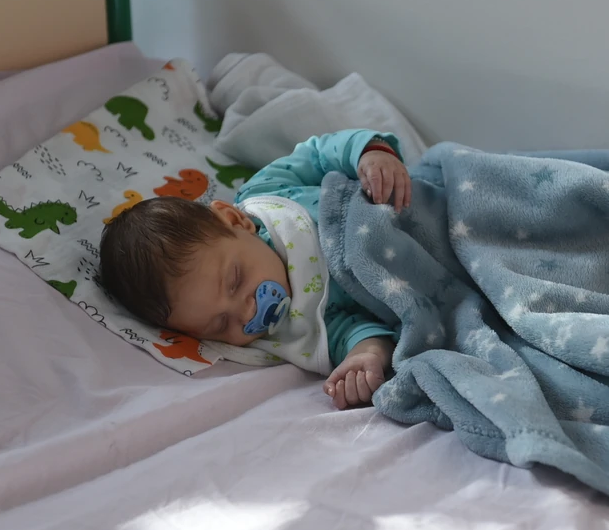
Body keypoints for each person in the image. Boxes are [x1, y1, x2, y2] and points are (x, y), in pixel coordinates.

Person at [98, 130, 412, 409]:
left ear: (235, 220)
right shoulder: (299, 324)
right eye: (221, 324)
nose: (248, 313)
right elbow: (354, 331)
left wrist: (368, 153)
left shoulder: (268, 193)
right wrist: (365, 357)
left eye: (235, 281)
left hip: (406, 206)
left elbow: (318, 153)